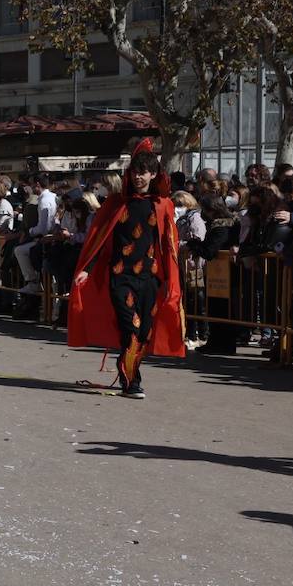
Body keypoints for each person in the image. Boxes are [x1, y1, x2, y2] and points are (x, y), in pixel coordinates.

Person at [69, 139, 184, 398]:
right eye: (135, 172)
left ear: (153, 174)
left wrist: (171, 282)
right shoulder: (115, 203)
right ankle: (132, 382)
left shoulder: (162, 205)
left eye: (143, 172)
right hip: (120, 277)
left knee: (142, 334)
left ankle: (129, 375)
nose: (138, 177)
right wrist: (87, 267)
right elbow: (100, 238)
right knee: (131, 329)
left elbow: (170, 246)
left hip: (150, 279)